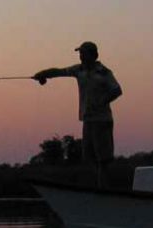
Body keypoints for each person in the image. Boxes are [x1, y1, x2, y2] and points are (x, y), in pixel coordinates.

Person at [34, 42, 122, 187]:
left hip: (102, 120)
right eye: (80, 54)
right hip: (87, 120)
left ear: (93, 55)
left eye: (83, 53)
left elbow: (117, 90)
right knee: (88, 158)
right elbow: (59, 72)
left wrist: (102, 101)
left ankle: (104, 189)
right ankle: (98, 187)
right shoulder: (79, 70)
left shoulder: (104, 72)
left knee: (103, 159)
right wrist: (43, 74)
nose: (81, 56)